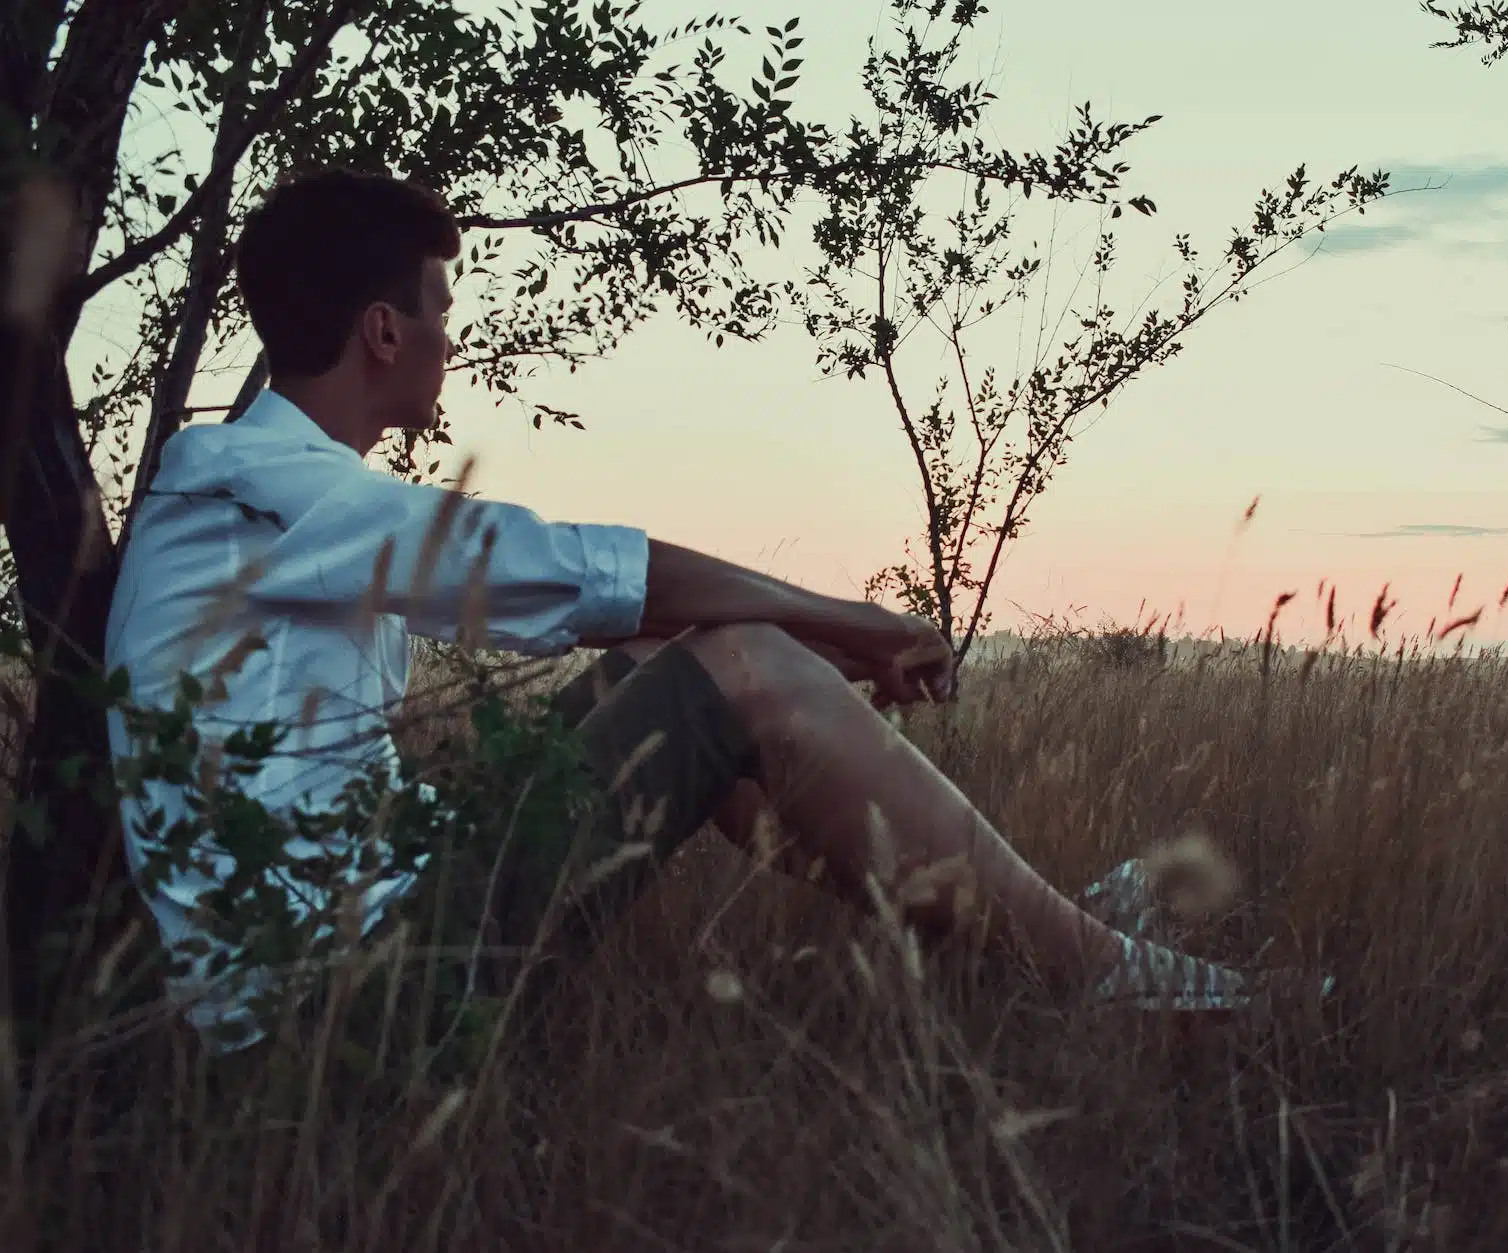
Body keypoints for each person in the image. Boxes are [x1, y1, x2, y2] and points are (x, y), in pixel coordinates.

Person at [104, 168, 1251, 1059]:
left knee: (678, 658)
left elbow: (610, 609)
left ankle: (1026, 933)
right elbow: (570, 572)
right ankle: (1101, 973)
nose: (455, 338)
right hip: (333, 1008)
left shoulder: (256, 487)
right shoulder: (267, 493)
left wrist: (813, 644)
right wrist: (846, 622)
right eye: (442, 312)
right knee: (742, 667)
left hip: (368, 930)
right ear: (383, 331)